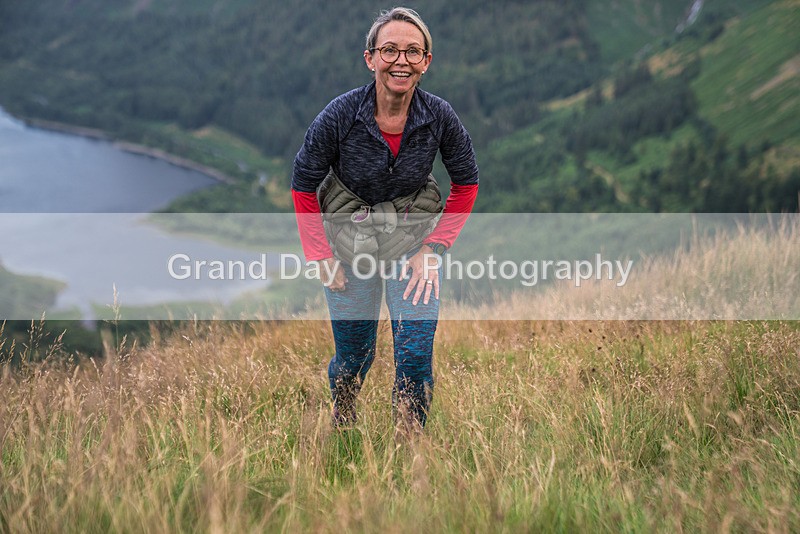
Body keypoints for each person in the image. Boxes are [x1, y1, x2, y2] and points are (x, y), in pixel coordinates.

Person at [291, 7, 479, 431]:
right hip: (346, 246)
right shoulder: (339, 115)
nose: (401, 60)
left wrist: (434, 249)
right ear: (370, 57)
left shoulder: (439, 117)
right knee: (355, 358)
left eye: (413, 52)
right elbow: (303, 184)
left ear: (426, 62)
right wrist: (319, 253)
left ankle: (408, 443)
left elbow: (466, 183)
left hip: (411, 244)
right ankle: (344, 416)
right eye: (390, 49)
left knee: (414, 352)